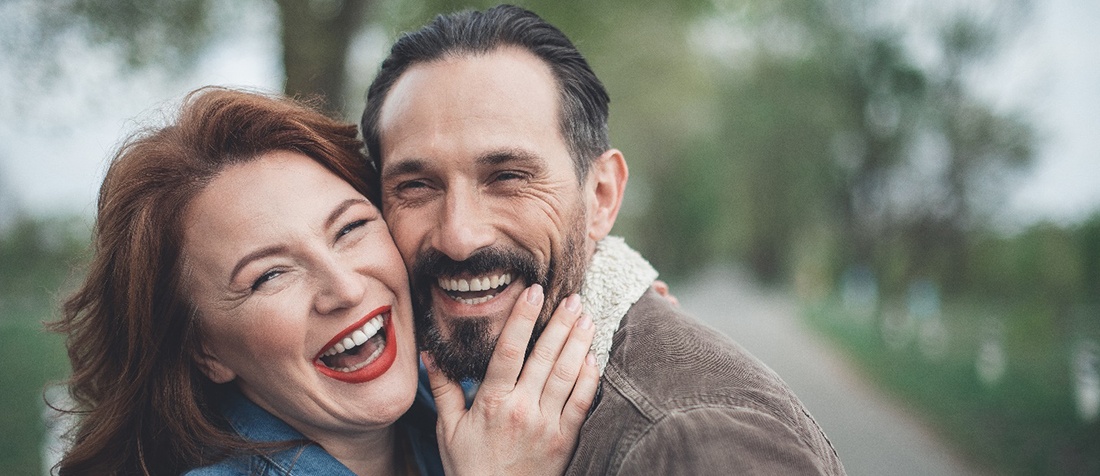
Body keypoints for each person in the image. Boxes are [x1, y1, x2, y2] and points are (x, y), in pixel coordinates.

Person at [360, 5, 847, 475]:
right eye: (416, 186)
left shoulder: (694, 443)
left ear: (601, 196)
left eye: (507, 177)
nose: (459, 237)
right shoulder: (421, 396)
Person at [50, 87, 600, 475]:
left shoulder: (468, 397)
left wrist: (619, 294)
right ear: (205, 349)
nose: (346, 288)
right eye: (269, 275)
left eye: (352, 228)